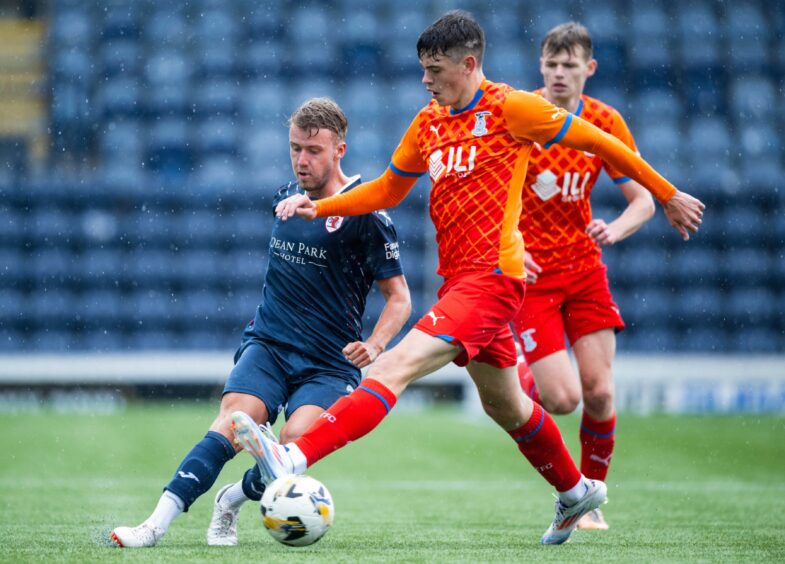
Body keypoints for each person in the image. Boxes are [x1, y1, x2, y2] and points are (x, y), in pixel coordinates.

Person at [238, 11, 704, 546]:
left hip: (494, 279)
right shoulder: (429, 121)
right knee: (507, 404)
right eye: (422, 69)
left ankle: (292, 454)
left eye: (435, 69)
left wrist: (665, 193)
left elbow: (604, 144)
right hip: (458, 281)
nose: (425, 79)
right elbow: (389, 189)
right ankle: (577, 491)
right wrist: (319, 210)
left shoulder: (513, 108)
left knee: (395, 365)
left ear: (469, 63)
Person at [109, 98, 412, 548]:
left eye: (313, 150)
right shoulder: (284, 201)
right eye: (295, 149)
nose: (301, 160)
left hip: (329, 362)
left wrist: (377, 343)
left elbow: (399, 299)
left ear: (340, 150)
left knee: (295, 442)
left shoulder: (366, 216)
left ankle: (231, 499)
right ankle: (153, 526)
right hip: (269, 345)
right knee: (233, 423)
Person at [513, 22, 655, 531]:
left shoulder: (603, 121)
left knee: (598, 392)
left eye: (569, 65)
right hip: (533, 277)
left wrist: (614, 228)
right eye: (550, 64)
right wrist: (513, 242)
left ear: (588, 69)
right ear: (541, 66)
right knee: (563, 398)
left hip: (584, 272)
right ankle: (520, 379)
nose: (558, 73)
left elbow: (643, 199)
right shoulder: (523, 116)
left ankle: (589, 502)